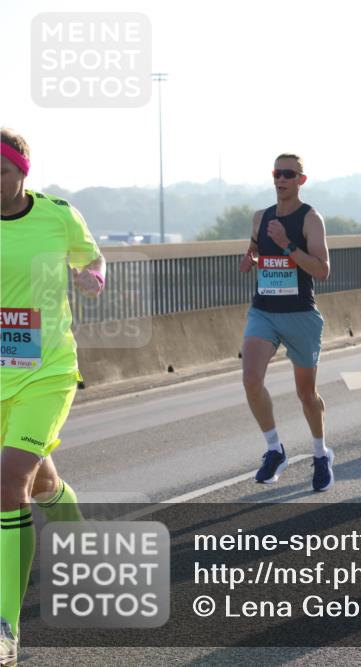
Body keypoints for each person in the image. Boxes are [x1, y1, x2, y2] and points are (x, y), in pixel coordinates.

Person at [1, 128, 106, 665]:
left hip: (47, 371)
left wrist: (91, 277)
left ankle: (6, 628)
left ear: (22, 171)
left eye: (0, 172)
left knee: (8, 480)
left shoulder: (58, 215)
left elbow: (92, 260)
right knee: (41, 480)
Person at [239, 153, 333, 492]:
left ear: (301, 180)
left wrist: (287, 244)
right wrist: (249, 258)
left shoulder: (311, 219)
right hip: (264, 311)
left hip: (300, 315)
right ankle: (274, 449)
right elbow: (254, 248)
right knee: (250, 379)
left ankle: (320, 454)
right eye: (277, 173)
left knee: (306, 395)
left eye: (288, 174)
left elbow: (322, 271)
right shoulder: (260, 217)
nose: (281, 179)